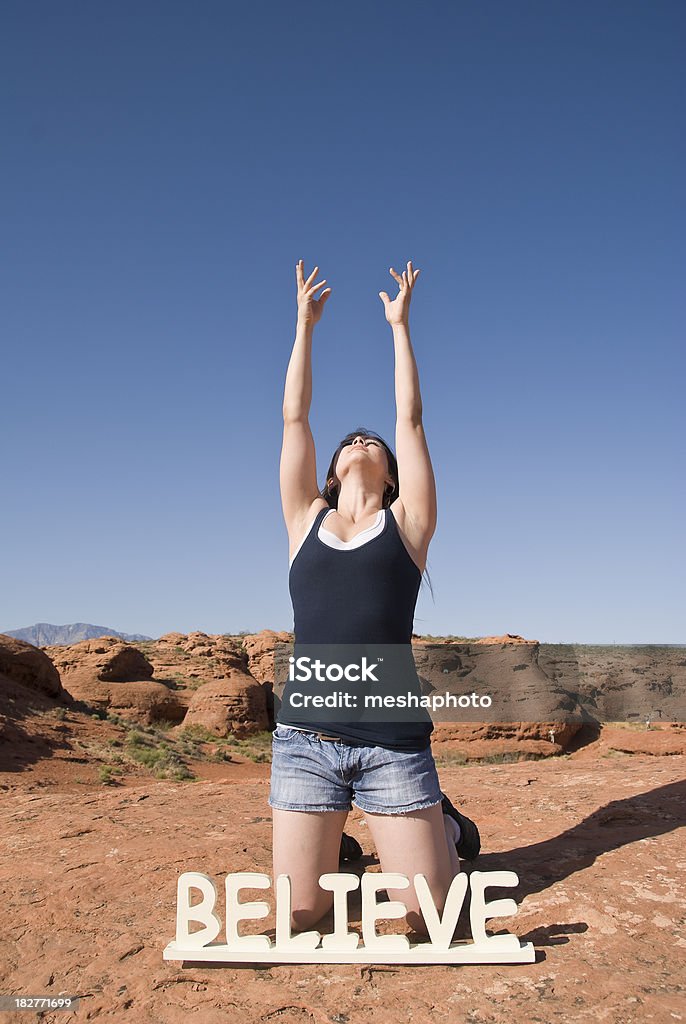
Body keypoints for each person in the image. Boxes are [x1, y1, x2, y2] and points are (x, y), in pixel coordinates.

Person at [269, 259, 480, 938]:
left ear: (390, 476)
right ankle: (343, 854)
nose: (363, 440)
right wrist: (304, 326)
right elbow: (294, 416)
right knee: (299, 917)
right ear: (331, 473)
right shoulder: (304, 520)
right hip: (306, 740)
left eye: (373, 443)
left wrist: (400, 326)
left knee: (429, 919)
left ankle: (443, 824)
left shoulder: (408, 526)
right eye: (349, 443)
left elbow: (410, 418)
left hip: (393, 744)